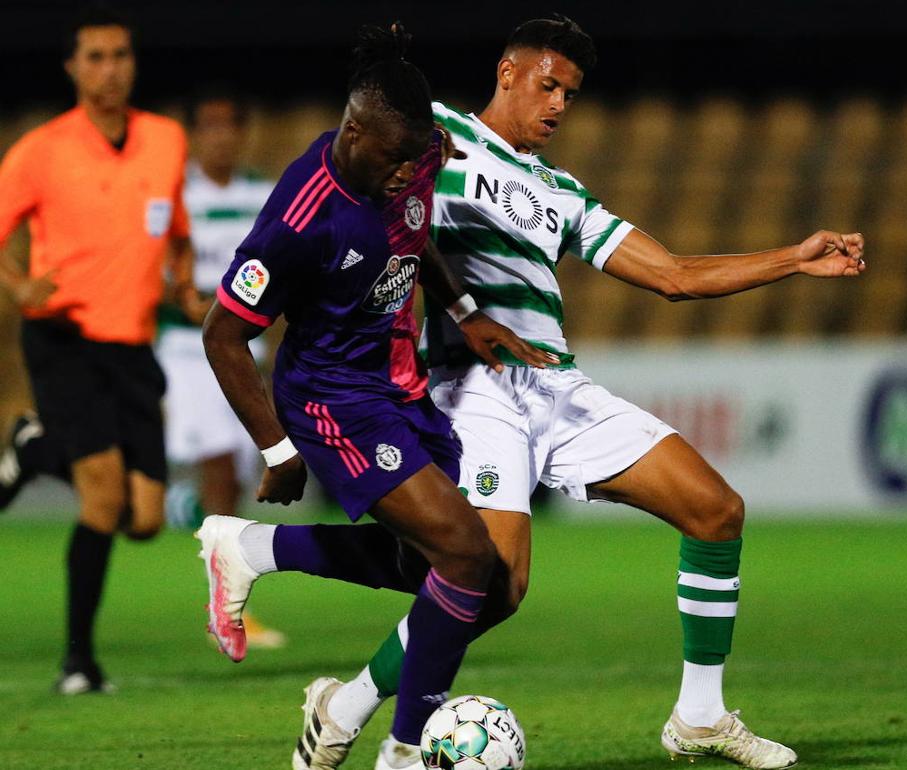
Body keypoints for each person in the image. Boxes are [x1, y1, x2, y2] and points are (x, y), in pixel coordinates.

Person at [209, 15, 866, 770]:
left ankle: (700, 716)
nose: (558, 105)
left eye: (572, 95)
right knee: (493, 581)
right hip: (474, 389)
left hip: (557, 384)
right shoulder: (432, 137)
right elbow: (361, 167)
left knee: (716, 511)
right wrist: (455, 316)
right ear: (508, 72)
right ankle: (358, 705)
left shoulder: (562, 193)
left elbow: (675, 276)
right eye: (548, 85)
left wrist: (795, 257)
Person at [194, 23, 555, 770]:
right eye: (392, 158)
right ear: (354, 131)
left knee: (478, 581)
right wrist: (278, 447)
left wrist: (462, 312)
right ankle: (404, 750)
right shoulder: (299, 219)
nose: (404, 174)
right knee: (462, 554)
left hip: (400, 387)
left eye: (411, 159)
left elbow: (415, 236)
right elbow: (222, 336)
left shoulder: (413, 152)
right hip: (330, 398)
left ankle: (250, 550)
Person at [0, 4, 204, 693]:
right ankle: (78, 663)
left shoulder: (165, 140)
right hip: (63, 336)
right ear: (71, 66)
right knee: (100, 499)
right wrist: (20, 286)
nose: (109, 69)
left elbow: (174, 229)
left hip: (131, 341)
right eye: (94, 56)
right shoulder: (41, 151)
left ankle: (32, 448)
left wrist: (185, 280)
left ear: (133, 63)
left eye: (119, 55)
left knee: (144, 519)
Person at [154, 87, 286, 648]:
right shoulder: (175, 192)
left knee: (232, 471)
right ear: (194, 133)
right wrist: (181, 291)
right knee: (216, 462)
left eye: (230, 124)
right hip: (188, 348)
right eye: (209, 125)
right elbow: (153, 265)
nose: (222, 136)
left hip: (242, 347)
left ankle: (187, 520)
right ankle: (226, 606)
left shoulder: (262, 191)